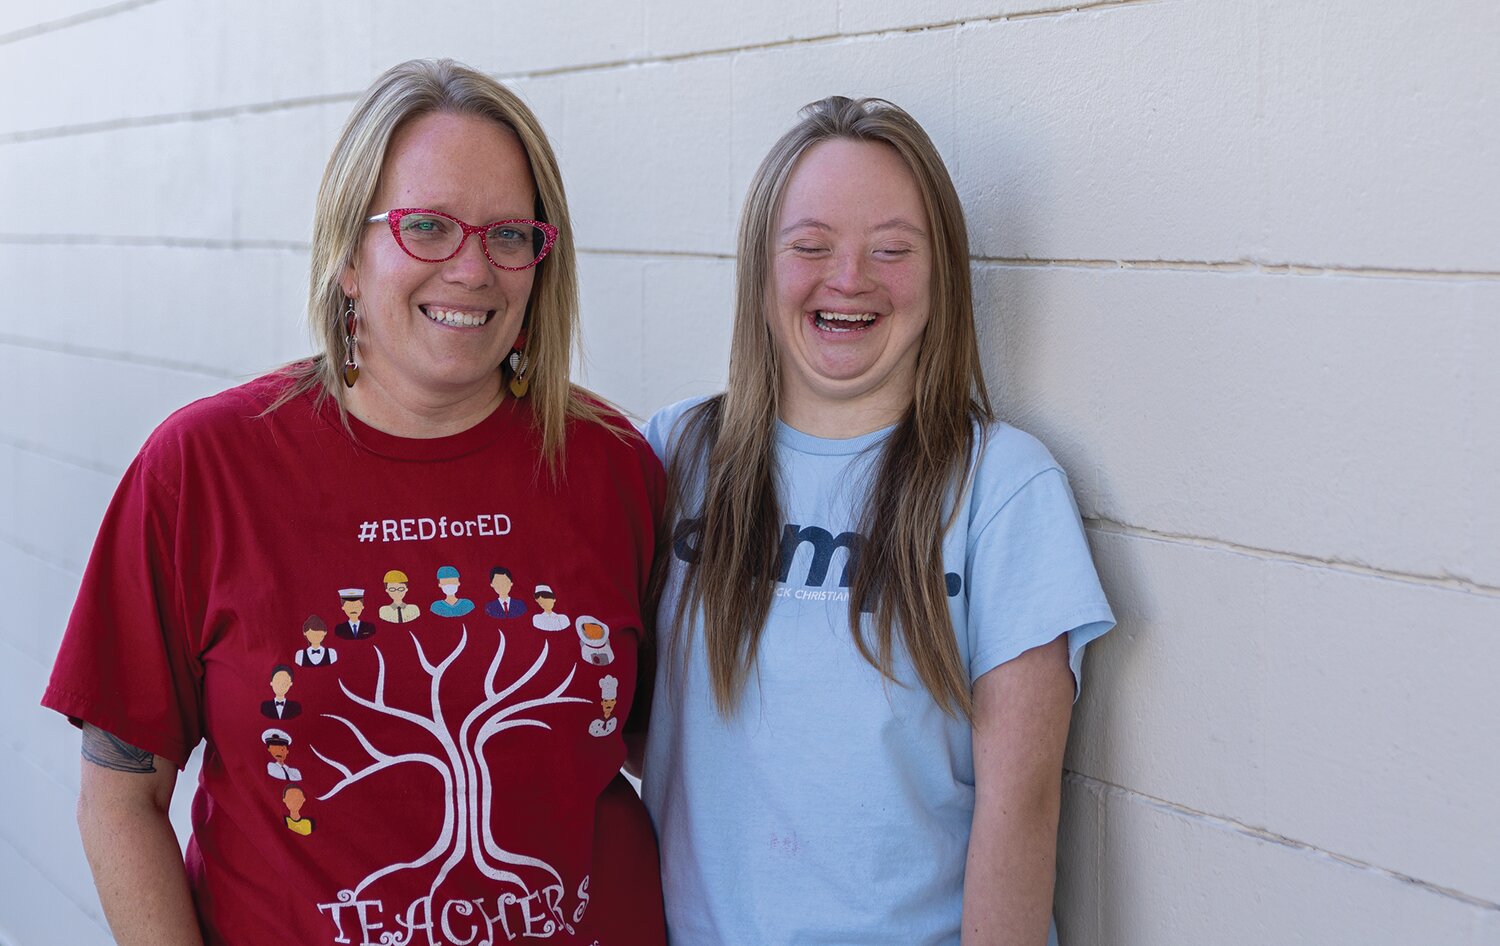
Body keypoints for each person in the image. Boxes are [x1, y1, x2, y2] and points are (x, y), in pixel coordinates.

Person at [43, 58, 666, 946]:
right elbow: (119, 796)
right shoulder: (204, 469)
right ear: (347, 256)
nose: (472, 268)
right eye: (426, 227)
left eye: (509, 235)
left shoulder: (612, 466)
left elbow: (679, 756)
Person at [641, 96, 1115, 946]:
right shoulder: (676, 457)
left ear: (943, 277)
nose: (849, 278)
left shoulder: (1003, 488)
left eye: (891, 250)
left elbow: (1020, 818)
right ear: (761, 268)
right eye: (811, 247)